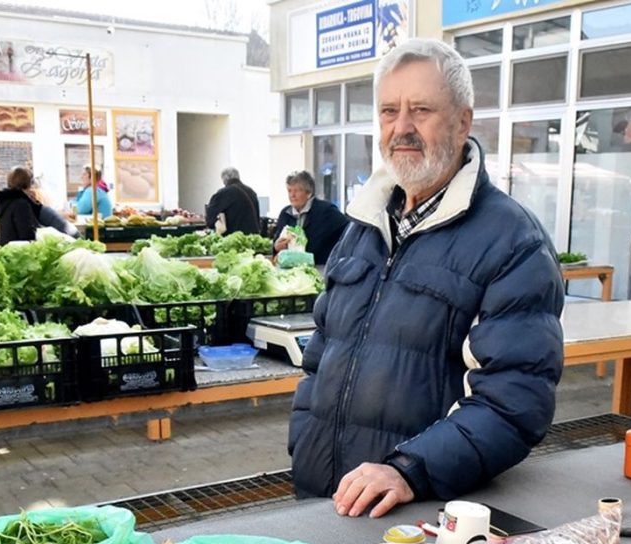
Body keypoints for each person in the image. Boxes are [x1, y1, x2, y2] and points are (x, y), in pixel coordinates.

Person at [289, 38, 564, 519]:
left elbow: (514, 403)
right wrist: (303, 442)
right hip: (323, 502)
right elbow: (319, 358)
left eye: (421, 110)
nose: (402, 128)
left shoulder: (512, 242)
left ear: (462, 121)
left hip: (418, 512)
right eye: (388, 111)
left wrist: (409, 470)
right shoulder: (362, 227)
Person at [272, 170, 349, 266]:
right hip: (291, 270)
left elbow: (348, 232)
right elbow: (276, 241)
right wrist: (276, 247)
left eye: (297, 190)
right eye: (289, 190)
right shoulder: (285, 213)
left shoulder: (326, 211)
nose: (292, 195)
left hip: (320, 268)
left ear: (309, 193)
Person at [205, 167, 261, 235]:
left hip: (234, 237)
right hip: (253, 236)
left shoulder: (224, 193)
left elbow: (210, 218)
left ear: (224, 180)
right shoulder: (251, 192)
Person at [0, 167, 42, 244]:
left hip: (7, 247)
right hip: (19, 248)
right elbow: (26, 234)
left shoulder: (5, 201)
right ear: (27, 183)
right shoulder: (21, 204)